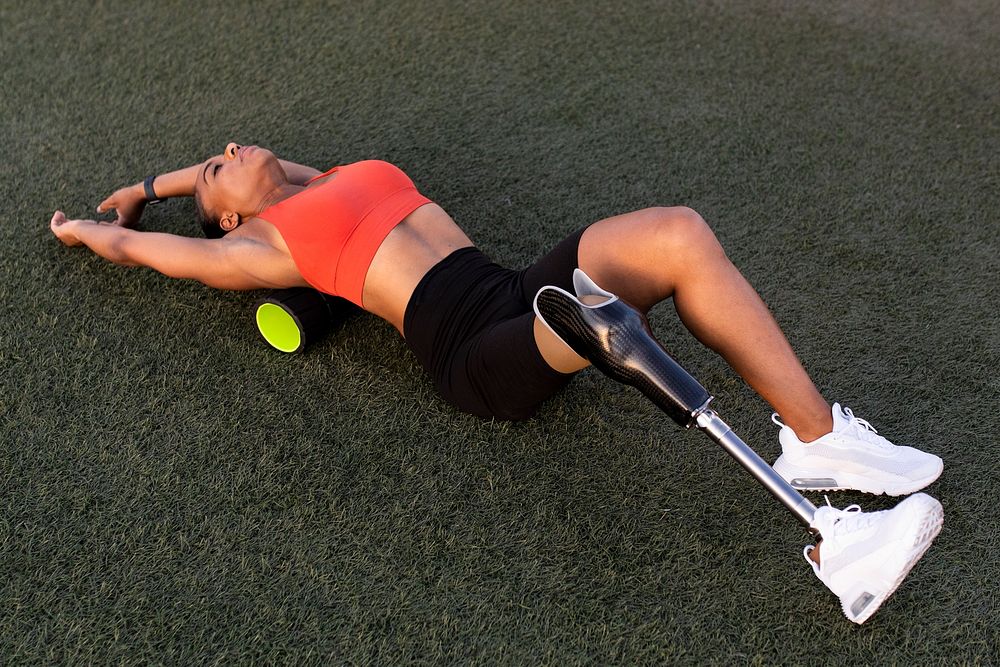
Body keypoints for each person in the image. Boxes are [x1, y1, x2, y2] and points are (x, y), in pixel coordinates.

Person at [50, 142, 944, 623]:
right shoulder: (257, 244)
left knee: (675, 231)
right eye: (215, 170)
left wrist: (147, 180)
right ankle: (835, 546)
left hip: (507, 285)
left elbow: (206, 174)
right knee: (593, 321)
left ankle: (821, 439)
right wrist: (95, 227)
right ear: (232, 219)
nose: (232, 145)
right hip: (471, 356)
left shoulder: (315, 177)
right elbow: (142, 245)